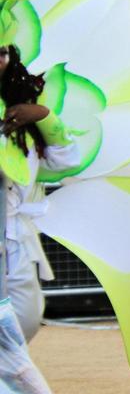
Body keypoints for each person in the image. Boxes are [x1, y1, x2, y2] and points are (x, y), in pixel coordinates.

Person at [0, 45, 81, 340]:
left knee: (27, 318)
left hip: (14, 234)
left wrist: (43, 116)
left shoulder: (23, 113)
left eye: (2, 52)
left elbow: (68, 160)